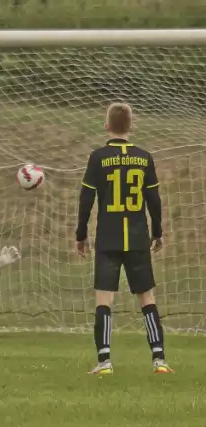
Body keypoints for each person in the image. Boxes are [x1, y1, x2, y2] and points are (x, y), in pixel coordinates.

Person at [76, 102, 172, 375]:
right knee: (147, 297)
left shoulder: (98, 157)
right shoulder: (144, 157)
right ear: (132, 125)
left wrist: (80, 234)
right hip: (138, 237)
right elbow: (154, 199)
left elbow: (86, 199)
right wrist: (157, 232)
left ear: (107, 126)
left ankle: (104, 361)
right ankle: (159, 359)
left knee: (104, 299)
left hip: (108, 237)